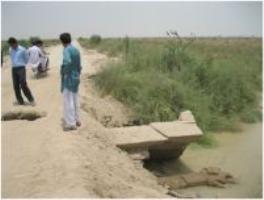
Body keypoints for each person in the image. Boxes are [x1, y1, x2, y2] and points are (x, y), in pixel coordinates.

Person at [59, 33, 82, 131]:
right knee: (75, 99)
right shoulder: (76, 50)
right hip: (76, 77)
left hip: (69, 78)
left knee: (68, 101)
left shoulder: (66, 50)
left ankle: (70, 124)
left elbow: (67, 62)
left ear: (62, 41)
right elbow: (79, 66)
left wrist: (64, 72)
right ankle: (77, 119)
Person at [8, 37, 35, 106]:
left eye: (12, 45)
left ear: (16, 43)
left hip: (21, 68)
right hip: (14, 69)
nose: (12, 46)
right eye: (10, 45)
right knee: (15, 85)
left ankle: (31, 99)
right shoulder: (10, 49)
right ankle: (20, 101)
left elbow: (26, 59)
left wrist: (22, 64)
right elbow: (11, 57)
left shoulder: (22, 49)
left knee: (23, 84)